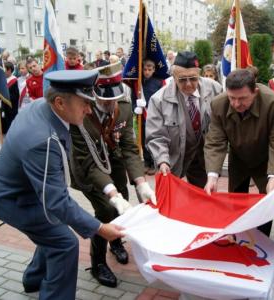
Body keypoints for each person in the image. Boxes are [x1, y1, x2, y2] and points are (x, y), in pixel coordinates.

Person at [0, 70, 124, 299]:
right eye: (84, 104)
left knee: (52, 231)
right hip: (12, 199)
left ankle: (33, 279)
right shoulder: (42, 141)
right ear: (59, 102)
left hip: (25, 190)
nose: (89, 110)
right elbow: (57, 201)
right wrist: (100, 228)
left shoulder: (44, 106)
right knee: (65, 243)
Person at [70, 62, 155, 287]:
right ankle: (97, 263)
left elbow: (128, 145)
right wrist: (112, 194)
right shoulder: (79, 111)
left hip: (114, 163)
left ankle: (115, 241)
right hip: (88, 169)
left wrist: (141, 182)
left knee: (122, 203)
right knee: (107, 209)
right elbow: (88, 161)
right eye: (104, 100)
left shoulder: (124, 106)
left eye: (113, 99)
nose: (110, 104)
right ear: (92, 94)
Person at [203, 69, 274, 236]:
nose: (236, 104)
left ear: (255, 92)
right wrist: (212, 176)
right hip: (238, 158)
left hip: (267, 158)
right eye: (232, 98)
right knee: (235, 200)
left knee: (267, 201)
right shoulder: (218, 104)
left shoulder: (272, 102)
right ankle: (237, 236)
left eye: (242, 98)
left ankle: (262, 241)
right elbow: (215, 141)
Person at [146, 51, 222, 188]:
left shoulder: (215, 89)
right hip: (173, 160)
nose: (188, 84)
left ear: (199, 75)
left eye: (193, 78)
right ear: (174, 77)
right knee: (170, 202)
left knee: (204, 199)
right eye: (182, 79)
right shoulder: (158, 100)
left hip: (204, 159)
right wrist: (162, 161)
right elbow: (156, 136)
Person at [132, 59, 164, 175]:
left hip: (154, 116)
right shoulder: (138, 82)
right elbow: (133, 96)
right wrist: (135, 107)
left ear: (154, 70)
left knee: (152, 139)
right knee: (143, 139)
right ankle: (146, 162)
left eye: (149, 70)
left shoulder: (158, 82)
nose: (147, 72)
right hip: (142, 116)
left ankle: (154, 163)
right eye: (145, 69)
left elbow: (161, 99)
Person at [0, 61, 19, 142]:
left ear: (9, 70)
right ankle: (1, 144)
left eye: (3, 70)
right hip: (0, 109)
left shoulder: (14, 81)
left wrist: (3, 97)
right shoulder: (1, 81)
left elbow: (15, 96)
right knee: (0, 129)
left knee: (9, 129)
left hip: (10, 110)